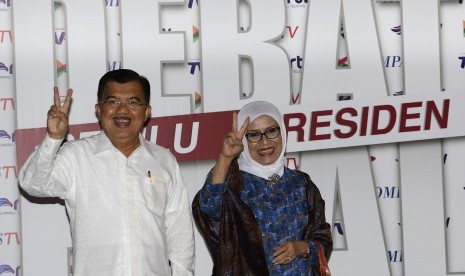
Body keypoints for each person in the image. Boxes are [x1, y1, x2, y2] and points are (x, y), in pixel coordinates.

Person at [19, 69, 195, 275]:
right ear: (99, 110)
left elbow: (180, 234)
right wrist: (54, 138)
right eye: (112, 102)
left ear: (147, 111)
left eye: (132, 102)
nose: (122, 110)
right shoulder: (76, 156)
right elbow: (32, 184)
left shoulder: (164, 161)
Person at [192, 101, 332, 275]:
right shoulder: (234, 184)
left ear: (282, 131)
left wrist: (302, 247)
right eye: (254, 135)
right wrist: (225, 158)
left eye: (272, 131)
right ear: (244, 139)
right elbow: (208, 207)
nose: (265, 141)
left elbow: (323, 238)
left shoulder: (301, 183)